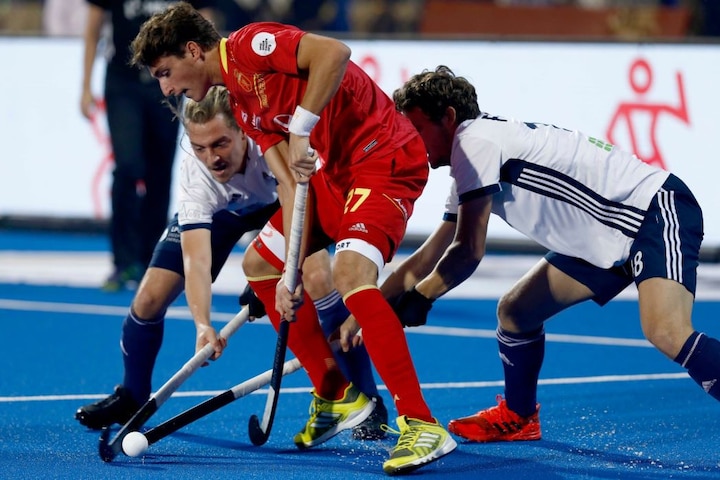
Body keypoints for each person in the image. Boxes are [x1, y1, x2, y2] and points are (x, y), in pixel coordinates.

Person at [130, 3, 456, 475]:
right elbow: (289, 183)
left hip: (383, 157)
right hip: (335, 174)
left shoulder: (248, 45)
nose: (166, 88)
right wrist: (290, 273)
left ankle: (422, 423)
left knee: (349, 274)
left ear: (194, 50)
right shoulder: (239, 101)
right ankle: (334, 394)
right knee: (259, 264)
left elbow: (334, 52)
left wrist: (302, 124)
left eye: (166, 72)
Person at [382, 65, 717, 443]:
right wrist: (369, 309)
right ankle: (519, 417)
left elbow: (467, 250)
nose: (410, 141)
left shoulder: (475, 143)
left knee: (668, 332)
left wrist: (422, 296)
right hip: (605, 233)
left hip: (651, 211)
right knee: (516, 311)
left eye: (416, 129)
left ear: (449, 117)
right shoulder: (471, 157)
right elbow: (431, 251)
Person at [74, 86, 387, 441]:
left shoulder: (269, 136)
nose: (212, 158)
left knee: (316, 276)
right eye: (199, 148)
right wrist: (202, 323)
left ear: (242, 130)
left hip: (284, 201)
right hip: (225, 214)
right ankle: (132, 396)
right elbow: (196, 260)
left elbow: (297, 199)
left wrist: (282, 271)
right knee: (147, 299)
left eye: (220, 144)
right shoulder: (198, 177)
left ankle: (367, 401)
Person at [81, 0, 213, 292]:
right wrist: (85, 85)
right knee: (128, 167)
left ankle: (151, 261)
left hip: (168, 81)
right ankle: (122, 261)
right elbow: (93, 27)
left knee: (160, 171)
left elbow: (206, 26)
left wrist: (209, 80)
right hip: (122, 82)